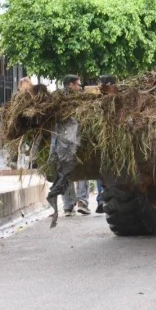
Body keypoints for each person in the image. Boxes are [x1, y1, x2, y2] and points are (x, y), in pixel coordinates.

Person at [60, 74, 91, 217]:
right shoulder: (79, 100)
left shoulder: (56, 100)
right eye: (78, 85)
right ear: (71, 85)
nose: (80, 87)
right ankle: (81, 203)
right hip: (75, 140)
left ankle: (68, 206)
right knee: (83, 170)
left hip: (61, 143)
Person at [94, 74, 118, 214]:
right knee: (104, 173)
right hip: (107, 147)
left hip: (110, 147)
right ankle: (102, 199)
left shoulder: (116, 100)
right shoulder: (100, 103)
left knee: (104, 173)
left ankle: (102, 199)